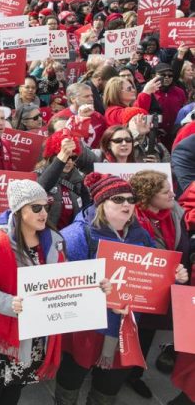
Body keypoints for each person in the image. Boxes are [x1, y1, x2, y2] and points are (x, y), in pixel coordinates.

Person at [56, 172, 189, 405]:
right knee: (72, 378)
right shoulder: (78, 235)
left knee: (109, 387)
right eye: (118, 199)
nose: (127, 204)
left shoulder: (141, 234)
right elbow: (64, 285)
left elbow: (154, 277)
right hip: (87, 328)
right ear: (101, 203)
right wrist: (99, 293)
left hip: (125, 328)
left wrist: (175, 276)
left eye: (131, 199)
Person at [0, 180, 96, 405]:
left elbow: (63, 281)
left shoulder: (54, 240)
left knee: (16, 387)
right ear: (18, 210)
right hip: (2, 333)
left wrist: (96, 287)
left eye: (46, 206)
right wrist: (11, 303)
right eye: (36, 207)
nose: (44, 212)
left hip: (35, 332)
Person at [124, 170, 190, 398]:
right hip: (140, 290)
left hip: (168, 289)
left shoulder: (174, 214)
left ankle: (134, 375)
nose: (172, 193)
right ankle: (113, 375)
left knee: (147, 335)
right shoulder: (132, 221)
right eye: (165, 191)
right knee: (130, 335)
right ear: (148, 195)